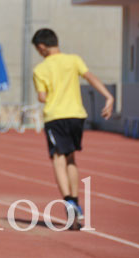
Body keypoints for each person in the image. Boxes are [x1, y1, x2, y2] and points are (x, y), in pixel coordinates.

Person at [32, 27, 114, 223]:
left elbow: (43, 97)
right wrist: (109, 97)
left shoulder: (40, 69)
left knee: (58, 158)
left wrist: (47, 94)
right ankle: (76, 200)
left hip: (55, 117)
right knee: (70, 158)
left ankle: (69, 202)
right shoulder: (74, 59)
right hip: (76, 116)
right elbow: (90, 77)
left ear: (42, 47)